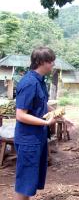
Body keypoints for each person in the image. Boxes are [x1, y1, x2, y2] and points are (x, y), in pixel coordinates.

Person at [14, 47, 58, 200]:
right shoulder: (29, 83)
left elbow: (42, 103)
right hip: (28, 139)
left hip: (37, 138)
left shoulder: (40, 81)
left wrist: (61, 116)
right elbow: (20, 115)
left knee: (31, 180)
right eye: (50, 61)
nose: (53, 64)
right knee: (25, 182)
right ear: (40, 62)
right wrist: (46, 123)